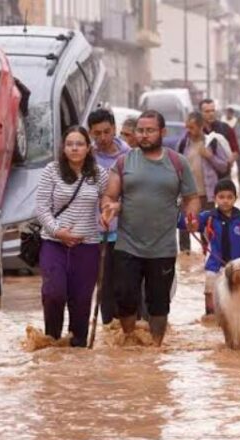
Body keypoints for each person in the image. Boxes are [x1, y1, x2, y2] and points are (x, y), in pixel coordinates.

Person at [101, 110, 200, 346]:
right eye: (140, 131)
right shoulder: (124, 161)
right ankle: (129, 340)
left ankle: (156, 349)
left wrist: (192, 214)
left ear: (162, 133)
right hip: (128, 244)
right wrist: (109, 207)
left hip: (163, 247)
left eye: (150, 131)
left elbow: (192, 197)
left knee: (159, 304)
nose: (144, 135)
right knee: (124, 297)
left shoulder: (177, 163)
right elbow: (110, 195)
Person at [35, 126, 109, 347]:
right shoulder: (52, 170)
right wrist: (58, 231)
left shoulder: (99, 174)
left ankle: (77, 352)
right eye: (69, 144)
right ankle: (52, 342)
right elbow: (41, 207)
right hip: (54, 244)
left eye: (79, 144)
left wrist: (106, 213)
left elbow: (109, 199)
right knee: (53, 293)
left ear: (88, 148)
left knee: (82, 302)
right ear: (63, 148)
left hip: (87, 247)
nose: (74, 148)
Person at [87, 108, 131, 325]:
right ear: (90, 133)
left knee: (125, 287)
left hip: (125, 232)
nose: (102, 138)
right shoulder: (86, 158)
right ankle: (109, 331)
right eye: (97, 134)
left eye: (106, 132)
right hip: (95, 233)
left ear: (114, 129)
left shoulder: (130, 156)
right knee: (103, 288)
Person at [197, 179, 240, 318]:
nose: (225, 201)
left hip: (237, 265)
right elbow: (191, 223)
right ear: (215, 198)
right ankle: (210, 315)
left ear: (235, 198)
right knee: (210, 288)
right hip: (214, 263)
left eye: (230, 197)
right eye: (221, 197)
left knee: (238, 291)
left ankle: (238, 316)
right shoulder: (209, 217)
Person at [178, 112, 229, 212]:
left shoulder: (212, 143)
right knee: (186, 226)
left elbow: (224, 167)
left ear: (201, 126)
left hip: (207, 197)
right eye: (187, 127)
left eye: (192, 127)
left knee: (206, 226)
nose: (188, 130)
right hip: (187, 197)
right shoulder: (183, 144)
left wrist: (210, 157)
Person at [199, 99, 239, 174]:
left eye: (213, 110)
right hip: (203, 174)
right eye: (207, 111)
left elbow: (235, 150)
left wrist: (228, 163)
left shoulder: (225, 128)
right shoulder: (197, 130)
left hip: (222, 174)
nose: (211, 114)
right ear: (201, 113)